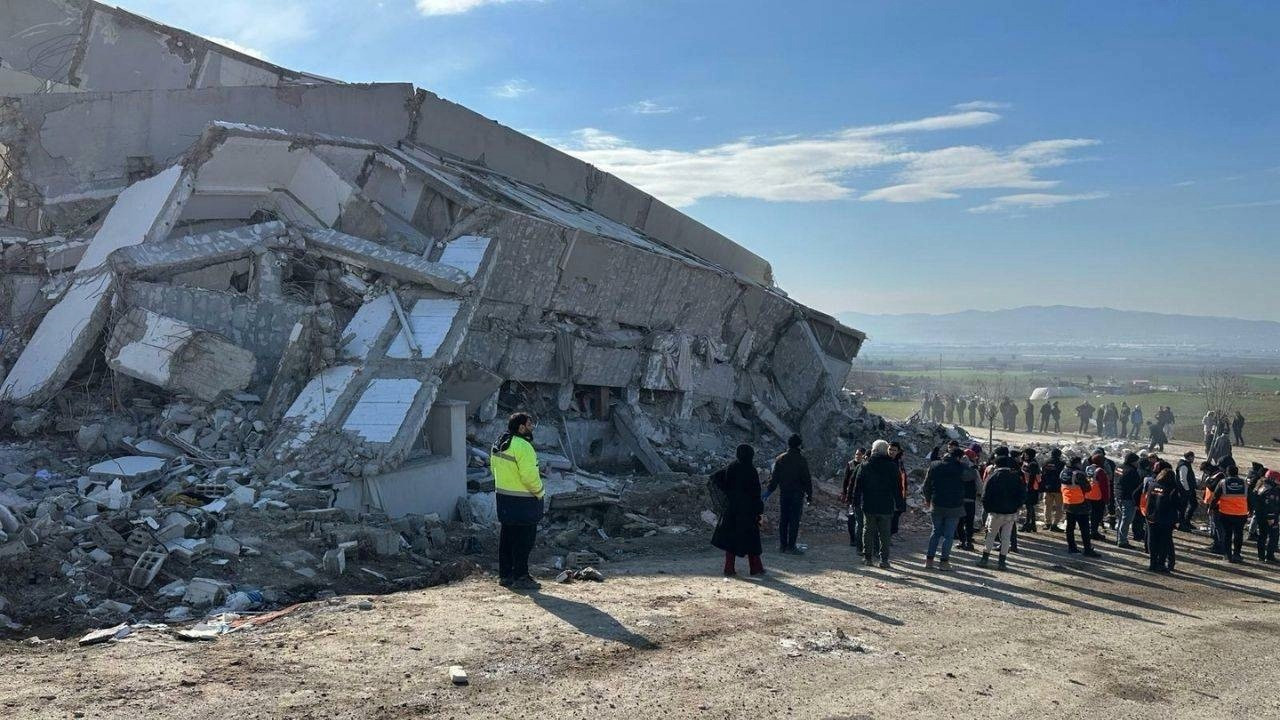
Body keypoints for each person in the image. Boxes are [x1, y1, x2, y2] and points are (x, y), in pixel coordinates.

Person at [491, 412, 545, 590]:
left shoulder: (500, 443)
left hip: (504, 499)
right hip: (524, 501)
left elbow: (494, 469)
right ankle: (521, 576)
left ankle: (505, 575)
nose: (531, 428)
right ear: (521, 427)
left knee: (507, 538)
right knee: (524, 540)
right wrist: (539, 492)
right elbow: (529, 476)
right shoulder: (524, 446)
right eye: (529, 424)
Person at [711, 444, 766, 576]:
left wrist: (728, 493)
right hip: (748, 511)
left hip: (732, 510)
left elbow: (717, 477)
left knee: (731, 540)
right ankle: (755, 568)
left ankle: (729, 569)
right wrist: (759, 511)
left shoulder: (732, 467)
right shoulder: (751, 470)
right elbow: (756, 493)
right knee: (752, 541)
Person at [856, 440, 904, 568]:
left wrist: (855, 501)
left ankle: (868, 558)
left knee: (868, 531)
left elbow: (858, 486)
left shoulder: (865, 465)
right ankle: (884, 560)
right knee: (884, 533)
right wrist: (900, 504)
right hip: (886, 505)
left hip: (869, 504)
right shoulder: (893, 467)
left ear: (874, 450)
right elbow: (897, 488)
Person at [766, 434, 812, 555]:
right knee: (794, 520)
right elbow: (807, 479)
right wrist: (809, 495)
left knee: (784, 519)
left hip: (784, 494)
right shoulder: (801, 460)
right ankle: (791, 547)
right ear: (799, 445)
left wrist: (768, 491)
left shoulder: (780, 459)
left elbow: (774, 478)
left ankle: (782, 546)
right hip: (797, 494)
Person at [922, 447, 966, 570]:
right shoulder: (961, 467)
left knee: (935, 532)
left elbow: (926, 485)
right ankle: (944, 562)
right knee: (949, 535)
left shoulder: (934, 465)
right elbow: (971, 477)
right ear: (958, 457)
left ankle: (929, 561)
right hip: (955, 506)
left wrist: (927, 499)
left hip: (937, 503)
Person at [981, 453, 1026, 570]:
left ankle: (985, 559)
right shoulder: (1015, 477)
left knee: (990, 535)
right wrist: (1017, 507)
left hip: (995, 513)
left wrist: (988, 509)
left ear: (996, 464)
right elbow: (1022, 494)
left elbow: (985, 495)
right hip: (1011, 513)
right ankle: (1002, 562)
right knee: (1006, 537)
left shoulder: (993, 476)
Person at [1143, 468, 1183, 573]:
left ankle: (1152, 563)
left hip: (1151, 517)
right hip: (1166, 519)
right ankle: (1161, 564)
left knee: (1152, 541)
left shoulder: (1152, 485)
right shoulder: (1172, 489)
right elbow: (1178, 505)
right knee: (1164, 542)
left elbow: (1147, 499)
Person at [1209, 464, 1250, 563]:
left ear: (1227, 472)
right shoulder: (1244, 483)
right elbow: (1251, 498)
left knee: (1228, 534)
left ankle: (1228, 555)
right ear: (1237, 473)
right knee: (1238, 534)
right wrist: (1251, 510)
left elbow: (1216, 497)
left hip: (1226, 513)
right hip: (1241, 513)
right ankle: (1237, 554)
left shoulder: (1223, 482)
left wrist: (1211, 507)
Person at [1061, 456, 1100, 557]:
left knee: (1070, 527)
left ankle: (1071, 547)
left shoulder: (1064, 472)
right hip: (1080, 504)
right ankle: (1087, 549)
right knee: (1084, 528)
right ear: (1077, 463)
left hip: (1068, 502)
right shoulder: (1079, 474)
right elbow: (1087, 488)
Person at [1114, 452, 1142, 549]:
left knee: (1121, 518)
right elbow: (1136, 488)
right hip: (1128, 498)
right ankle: (1122, 541)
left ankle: (1119, 538)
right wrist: (1137, 502)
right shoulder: (1132, 472)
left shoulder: (1118, 467)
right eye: (1137, 461)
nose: (1138, 463)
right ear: (1133, 461)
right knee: (1126, 520)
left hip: (1118, 496)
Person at [841, 448, 867, 550]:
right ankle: (853, 539)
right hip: (851, 496)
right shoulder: (851, 464)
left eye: (860, 454)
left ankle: (860, 539)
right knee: (851, 518)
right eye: (856, 454)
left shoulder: (865, 466)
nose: (857, 456)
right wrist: (844, 493)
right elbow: (845, 480)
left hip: (861, 496)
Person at [1253, 470, 1280, 563]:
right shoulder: (1272, 490)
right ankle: (1269, 555)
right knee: (1274, 535)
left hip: (1260, 515)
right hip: (1269, 517)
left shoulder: (1260, 485)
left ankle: (1261, 556)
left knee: (1262, 536)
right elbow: (1270, 504)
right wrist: (1271, 517)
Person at [958, 445, 981, 551]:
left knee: (959, 521)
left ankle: (962, 541)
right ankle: (968, 542)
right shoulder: (974, 470)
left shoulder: (957, 468)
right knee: (969, 522)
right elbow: (979, 486)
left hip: (958, 499)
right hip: (971, 499)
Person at [1085, 451, 1111, 541]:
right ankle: (1094, 532)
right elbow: (1104, 486)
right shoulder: (1100, 471)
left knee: (1091, 514)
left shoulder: (1089, 468)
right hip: (1098, 496)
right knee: (1097, 515)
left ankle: (1090, 530)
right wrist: (1107, 498)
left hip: (1089, 495)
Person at [1040, 448, 1065, 532]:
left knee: (1047, 506)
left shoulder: (1046, 463)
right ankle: (1055, 525)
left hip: (1047, 488)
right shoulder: (1062, 464)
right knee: (1059, 507)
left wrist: (1043, 486)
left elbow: (1042, 475)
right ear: (1059, 455)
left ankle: (1047, 523)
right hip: (1058, 489)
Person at [1174, 451, 1199, 532]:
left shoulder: (1186, 464)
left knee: (1194, 504)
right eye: (1193, 457)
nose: (1193, 459)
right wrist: (1187, 489)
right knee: (1182, 507)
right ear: (1189, 457)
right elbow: (1183, 479)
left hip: (1189, 489)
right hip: (1184, 490)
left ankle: (1186, 521)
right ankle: (1181, 524)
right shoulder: (1183, 465)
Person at [888, 441, 908, 537]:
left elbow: (903, 478)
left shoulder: (899, 463)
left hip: (898, 493)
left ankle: (890, 535)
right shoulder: (886, 461)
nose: (891, 452)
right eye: (890, 449)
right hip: (888, 494)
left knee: (896, 514)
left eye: (894, 450)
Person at [1020, 448, 1041, 532]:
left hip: (1031, 488)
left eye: (1026, 454)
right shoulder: (1027, 462)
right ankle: (1032, 525)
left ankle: (1027, 524)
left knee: (1029, 506)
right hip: (1029, 487)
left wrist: (1028, 488)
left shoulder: (1032, 464)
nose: (1025, 456)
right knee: (1030, 506)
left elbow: (1031, 478)